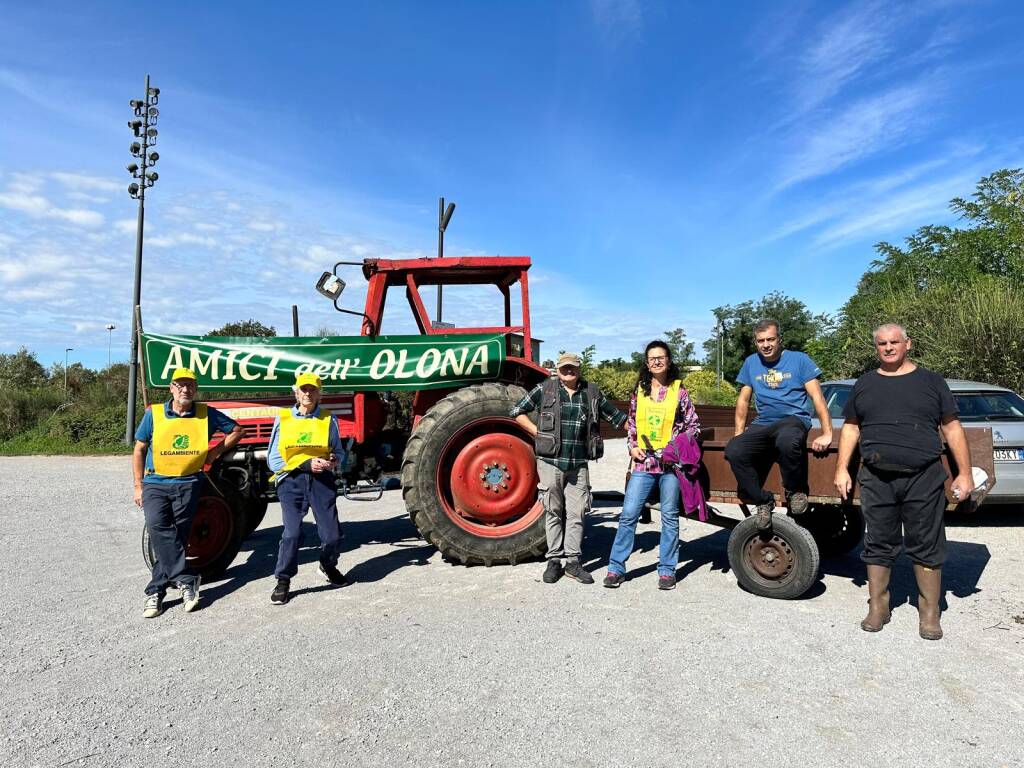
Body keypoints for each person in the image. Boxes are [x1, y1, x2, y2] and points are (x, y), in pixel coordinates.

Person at [834, 324, 973, 640]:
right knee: (878, 542)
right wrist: (842, 468)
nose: (888, 347)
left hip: (923, 477)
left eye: (894, 342)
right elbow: (852, 428)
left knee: (926, 544)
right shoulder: (865, 384)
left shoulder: (931, 382)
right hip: (877, 477)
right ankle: (878, 607)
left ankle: (929, 614)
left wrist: (964, 473)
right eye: (881, 343)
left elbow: (951, 428)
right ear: (876, 348)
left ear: (907, 344)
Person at [133, 367, 244, 618]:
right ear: (171, 388)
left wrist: (214, 452)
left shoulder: (206, 414)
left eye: (190, 385)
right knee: (157, 527)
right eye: (180, 385)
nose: (185, 389)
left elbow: (237, 431)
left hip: (188, 483)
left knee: (179, 536)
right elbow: (139, 449)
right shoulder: (155, 414)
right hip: (155, 483)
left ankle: (156, 591)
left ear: (195, 388)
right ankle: (186, 578)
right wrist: (138, 485)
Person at [512, 352, 626, 585]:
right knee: (553, 511)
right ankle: (554, 561)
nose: (569, 371)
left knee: (577, 512)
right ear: (558, 369)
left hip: (578, 464)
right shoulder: (545, 389)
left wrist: (641, 426)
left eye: (572, 367)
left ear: (579, 369)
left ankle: (573, 562)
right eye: (564, 368)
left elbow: (617, 417)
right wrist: (537, 433)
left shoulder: (591, 392)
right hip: (550, 462)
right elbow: (517, 412)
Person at [604, 340, 700, 590]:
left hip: (670, 468)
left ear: (669, 361)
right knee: (628, 515)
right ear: (647, 364)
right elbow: (633, 424)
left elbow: (693, 426)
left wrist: (677, 448)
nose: (657, 361)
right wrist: (631, 446)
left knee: (669, 517)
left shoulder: (680, 392)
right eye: (652, 358)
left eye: (661, 357)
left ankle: (667, 570)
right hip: (643, 465)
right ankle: (615, 568)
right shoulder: (640, 391)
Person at [724, 319, 832, 529]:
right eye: (760, 340)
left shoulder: (799, 360)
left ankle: (795, 491)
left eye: (770, 339)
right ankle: (763, 500)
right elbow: (743, 400)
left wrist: (827, 433)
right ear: (756, 343)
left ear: (779, 339)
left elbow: (817, 397)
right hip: (763, 423)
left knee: (787, 442)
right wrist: (739, 433)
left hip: (793, 419)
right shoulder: (751, 363)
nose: (766, 344)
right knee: (734, 449)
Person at [267, 372, 349, 605]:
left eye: (312, 389)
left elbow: (339, 452)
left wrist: (334, 460)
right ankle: (283, 580)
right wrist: (304, 464)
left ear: (319, 393)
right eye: (303, 389)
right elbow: (273, 460)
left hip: (321, 481)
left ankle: (327, 565)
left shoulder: (328, 419)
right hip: (291, 482)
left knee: (332, 535)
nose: (308, 393)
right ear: (296, 392)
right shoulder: (283, 419)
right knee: (292, 534)